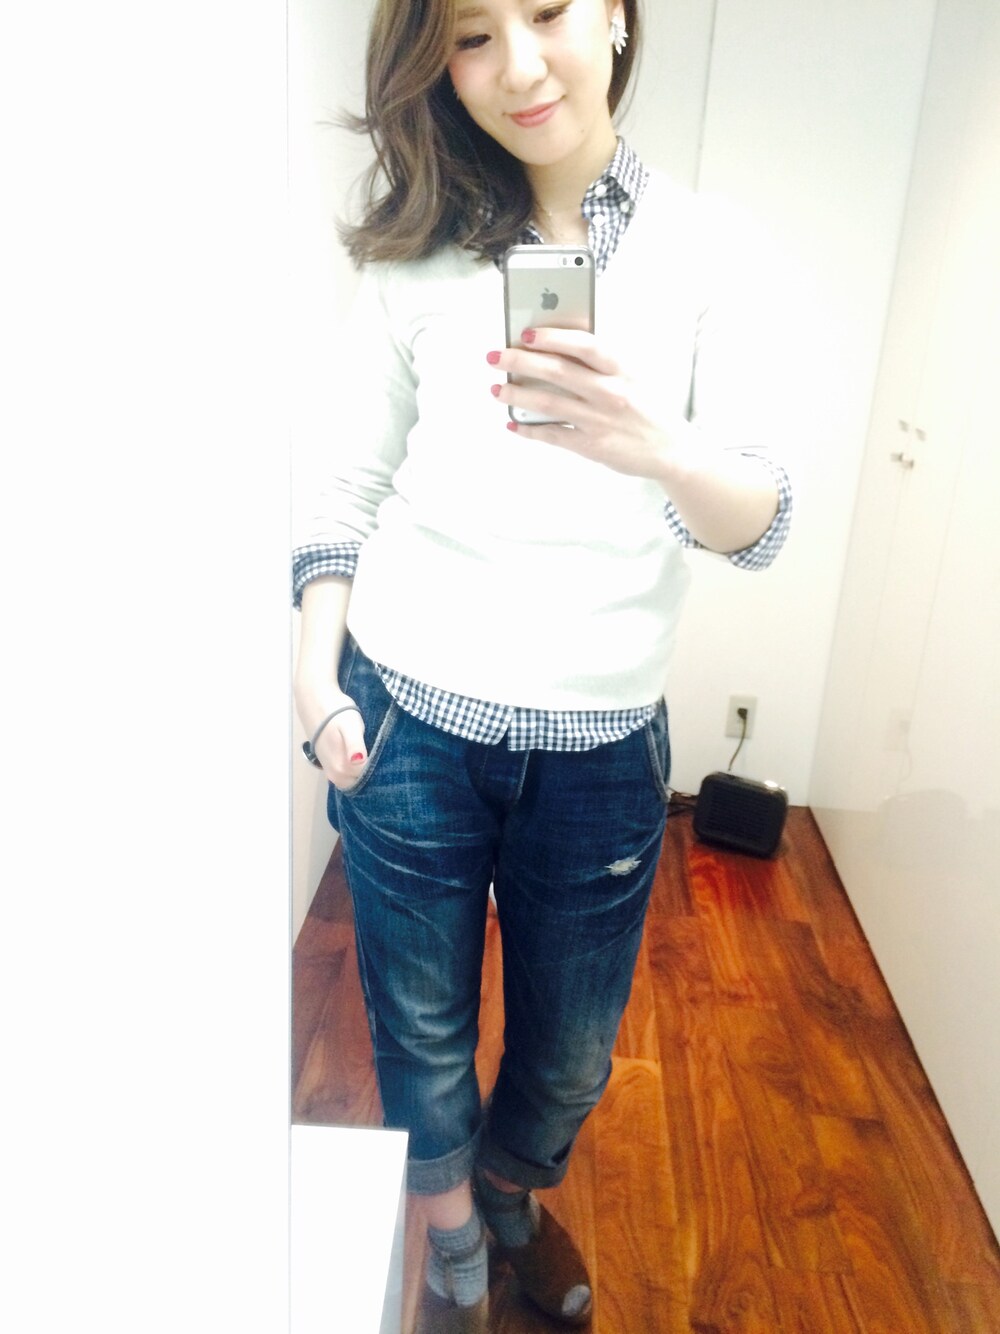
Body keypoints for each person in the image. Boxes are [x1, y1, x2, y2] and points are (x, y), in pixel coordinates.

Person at [293, 1, 791, 1329]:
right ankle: (456, 1235)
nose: (517, 64)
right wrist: (314, 677)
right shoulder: (414, 253)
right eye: (470, 35)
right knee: (419, 1029)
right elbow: (347, 485)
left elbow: (759, 521)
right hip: (406, 721)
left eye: (550, 10)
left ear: (617, 15)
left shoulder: (710, 250)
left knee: (571, 1057)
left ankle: (512, 1189)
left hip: (602, 744)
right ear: (438, 64)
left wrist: (657, 446)